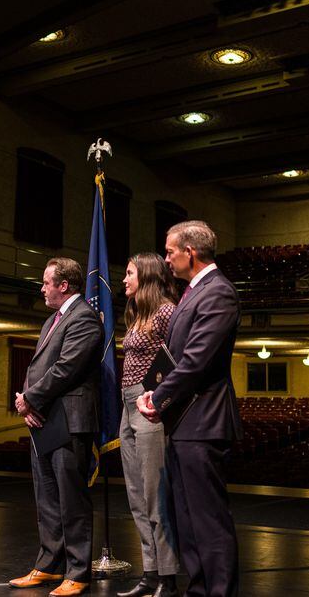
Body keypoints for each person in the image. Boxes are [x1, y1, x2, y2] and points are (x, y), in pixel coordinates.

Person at [138, 221, 243, 597]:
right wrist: (157, 394)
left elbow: (196, 361)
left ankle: (218, 592)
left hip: (204, 420)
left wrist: (157, 397)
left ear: (190, 253)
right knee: (185, 518)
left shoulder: (219, 293)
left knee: (208, 520)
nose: (165, 259)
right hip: (184, 422)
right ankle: (199, 589)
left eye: (169, 252)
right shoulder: (192, 293)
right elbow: (176, 357)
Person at [10, 257, 102, 597]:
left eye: (47, 282)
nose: (42, 288)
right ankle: (49, 565)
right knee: (46, 497)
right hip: (45, 419)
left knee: (71, 499)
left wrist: (30, 399)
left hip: (70, 420)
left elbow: (67, 368)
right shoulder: (53, 319)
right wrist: (28, 402)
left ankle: (78, 571)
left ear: (64, 285)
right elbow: (39, 367)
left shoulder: (84, 319)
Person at [117, 253, 180, 597]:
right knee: (137, 498)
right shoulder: (136, 313)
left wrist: (158, 398)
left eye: (129, 273)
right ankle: (150, 573)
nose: (124, 279)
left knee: (156, 497)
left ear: (147, 275)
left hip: (149, 407)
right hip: (127, 408)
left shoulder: (166, 311)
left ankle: (168, 578)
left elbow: (179, 361)